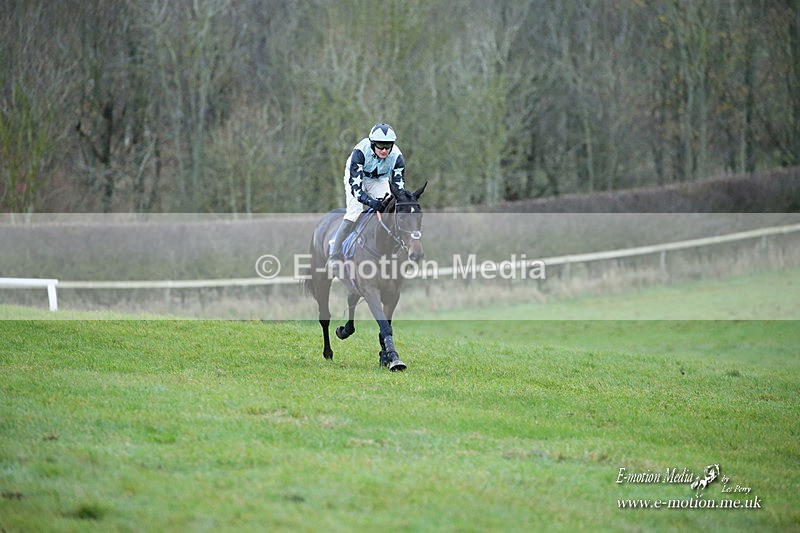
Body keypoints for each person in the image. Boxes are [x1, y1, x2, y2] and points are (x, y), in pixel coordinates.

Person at [327, 123, 406, 272]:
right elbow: (356, 189)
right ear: (372, 143)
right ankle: (334, 255)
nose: (384, 150)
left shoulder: (397, 157)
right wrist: (371, 202)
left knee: (389, 208)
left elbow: (399, 190)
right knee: (354, 212)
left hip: (379, 179)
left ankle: (393, 248)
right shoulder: (360, 152)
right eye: (380, 145)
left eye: (388, 146)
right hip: (357, 177)